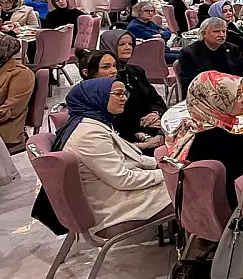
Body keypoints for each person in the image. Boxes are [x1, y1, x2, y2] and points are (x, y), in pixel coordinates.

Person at [52, 78, 170, 234]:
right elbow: (123, 180)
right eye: (118, 94)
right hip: (113, 206)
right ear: (97, 96)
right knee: (190, 187)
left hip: (113, 190)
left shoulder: (94, 121)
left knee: (185, 180)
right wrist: (166, 174)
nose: (124, 98)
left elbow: (127, 156)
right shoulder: (89, 134)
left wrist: (161, 163)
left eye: (125, 93)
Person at [165, 71, 243, 208]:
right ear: (216, 101)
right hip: (235, 210)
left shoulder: (187, 133)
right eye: (237, 95)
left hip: (198, 209)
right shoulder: (235, 142)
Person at [109, 33, 168, 150]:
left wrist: (155, 112)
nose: (128, 47)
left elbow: (155, 98)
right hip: (125, 134)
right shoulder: (107, 77)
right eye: (122, 44)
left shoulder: (136, 71)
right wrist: (140, 123)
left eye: (130, 44)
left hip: (150, 124)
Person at [176, 17, 243, 98]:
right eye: (216, 31)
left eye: (224, 31)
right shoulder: (189, 53)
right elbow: (190, 83)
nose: (222, 35)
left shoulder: (232, 49)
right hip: (203, 96)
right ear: (203, 34)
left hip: (232, 93)